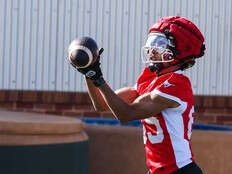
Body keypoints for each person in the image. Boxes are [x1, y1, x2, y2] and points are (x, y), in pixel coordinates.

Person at [71, 16, 205, 174]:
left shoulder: (177, 84)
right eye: (153, 41)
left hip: (179, 170)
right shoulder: (150, 77)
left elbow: (126, 114)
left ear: (180, 52)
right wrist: (89, 72)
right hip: (158, 170)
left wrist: (98, 78)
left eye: (160, 44)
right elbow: (101, 105)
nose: (153, 49)